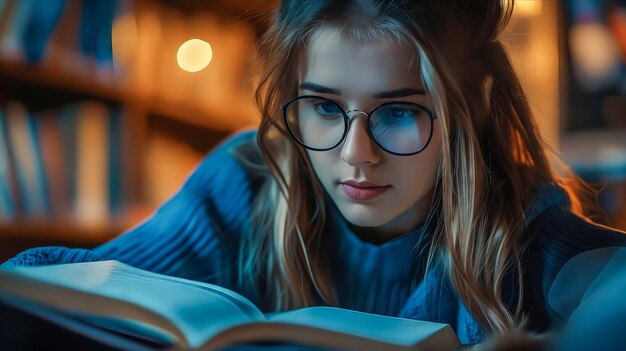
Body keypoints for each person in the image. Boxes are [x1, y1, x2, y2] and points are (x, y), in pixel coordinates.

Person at [3, 0, 626, 349]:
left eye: (401, 112)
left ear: (476, 103)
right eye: (325, 108)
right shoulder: (245, 181)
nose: (356, 154)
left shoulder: (520, 229)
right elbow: (57, 285)